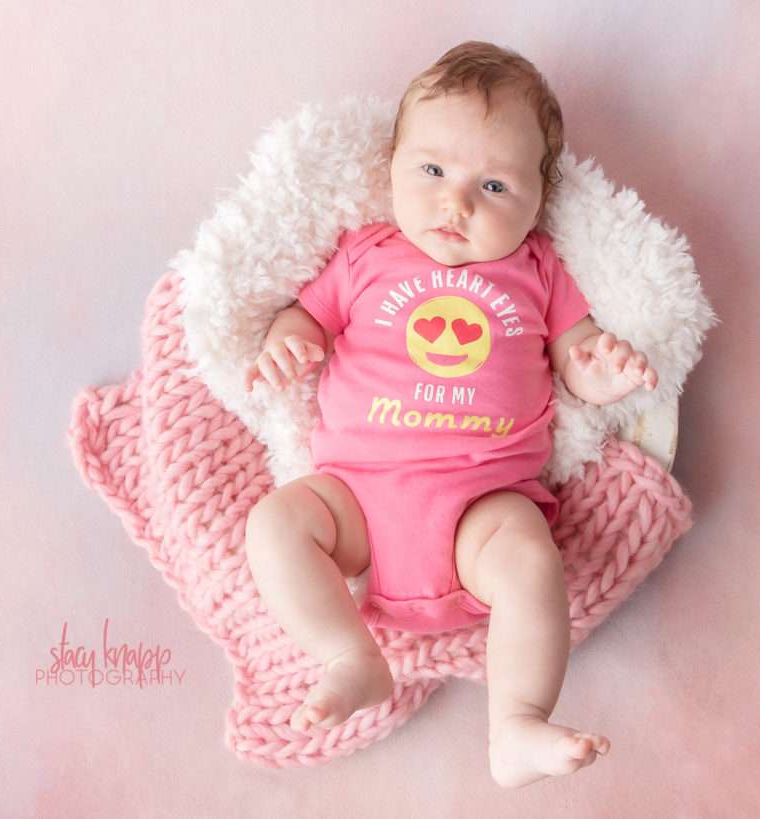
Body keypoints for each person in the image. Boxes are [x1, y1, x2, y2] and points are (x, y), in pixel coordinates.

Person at [242, 41, 657, 788]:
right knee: (273, 524)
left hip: (482, 514)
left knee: (533, 560)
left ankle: (516, 723)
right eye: (432, 171)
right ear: (393, 164)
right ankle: (349, 656)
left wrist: (605, 370)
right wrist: (287, 345)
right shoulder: (365, 254)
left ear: (538, 201)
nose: (456, 203)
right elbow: (304, 317)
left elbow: (577, 356)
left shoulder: (537, 271)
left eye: (494, 185)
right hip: (355, 505)